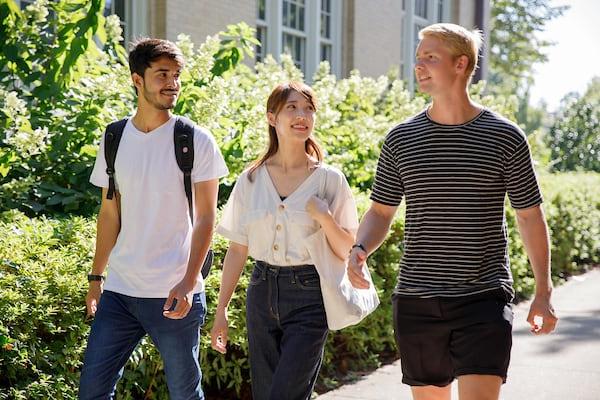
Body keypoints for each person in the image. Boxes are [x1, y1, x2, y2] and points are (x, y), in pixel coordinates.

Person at [347, 23, 558, 400]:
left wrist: (543, 291)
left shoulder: (505, 136)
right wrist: (360, 249)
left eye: (431, 57)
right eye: (418, 58)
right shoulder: (401, 138)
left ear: (461, 64)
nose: (420, 66)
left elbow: (529, 215)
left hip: (483, 297)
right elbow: (380, 211)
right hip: (418, 299)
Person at [79, 38, 228, 399]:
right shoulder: (114, 137)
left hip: (174, 292)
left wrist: (189, 282)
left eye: (176, 75)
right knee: (92, 391)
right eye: (162, 74)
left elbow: (207, 217)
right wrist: (97, 277)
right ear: (137, 79)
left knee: (183, 394)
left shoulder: (195, 140)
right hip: (120, 291)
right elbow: (109, 211)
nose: (172, 83)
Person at [210, 82, 358, 400]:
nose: (301, 115)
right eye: (292, 107)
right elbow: (237, 249)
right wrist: (221, 310)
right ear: (271, 117)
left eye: (308, 109)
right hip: (261, 292)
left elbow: (347, 248)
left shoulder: (330, 180)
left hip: (309, 296)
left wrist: (325, 218)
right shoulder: (250, 180)